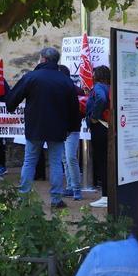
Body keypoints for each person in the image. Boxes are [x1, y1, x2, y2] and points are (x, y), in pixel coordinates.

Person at [4, 46, 81, 208]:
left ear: (43, 59)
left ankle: (24, 198)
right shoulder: (65, 80)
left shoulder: (31, 77)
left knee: (29, 161)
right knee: (55, 163)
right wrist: (72, 127)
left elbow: (11, 100)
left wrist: (10, 104)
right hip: (58, 128)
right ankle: (55, 199)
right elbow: (74, 108)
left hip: (35, 126)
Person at [84, 65, 112, 208]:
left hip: (100, 126)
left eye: (94, 73)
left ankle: (106, 196)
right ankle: (108, 194)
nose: (92, 75)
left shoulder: (99, 87)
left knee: (102, 161)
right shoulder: (110, 86)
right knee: (107, 162)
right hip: (108, 127)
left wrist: (94, 116)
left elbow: (100, 99)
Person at [57, 64, 83, 201]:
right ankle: (71, 187)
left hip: (71, 129)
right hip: (62, 129)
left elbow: (79, 111)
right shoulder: (58, 90)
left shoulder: (76, 91)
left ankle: (77, 188)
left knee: (70, 158)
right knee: (65, 159)